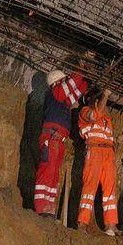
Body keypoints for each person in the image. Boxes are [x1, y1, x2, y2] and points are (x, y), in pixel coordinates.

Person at [33, 56, 89, 217]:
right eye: (64, 80)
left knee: (54, 174)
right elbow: (73, 82)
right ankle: (40, 209)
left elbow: (80, 88)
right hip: (50, 139)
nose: (66, 83)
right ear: (57, 82)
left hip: (58, 140)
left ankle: (48, 209)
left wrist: (86, 76)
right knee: (47, 172)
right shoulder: (55, 93)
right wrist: (81, 67)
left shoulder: (63, 100)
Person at [77, 87, 119, 236]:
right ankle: (82, 224)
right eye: (98, 99)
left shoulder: (106, 118)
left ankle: (111, 225)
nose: (101, 102)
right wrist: (106, 95)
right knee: (90, 187)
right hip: (94, 151)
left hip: (108, 153)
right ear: (91, 100)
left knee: (110, 190)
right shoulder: (84, 112)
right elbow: (94, 115)